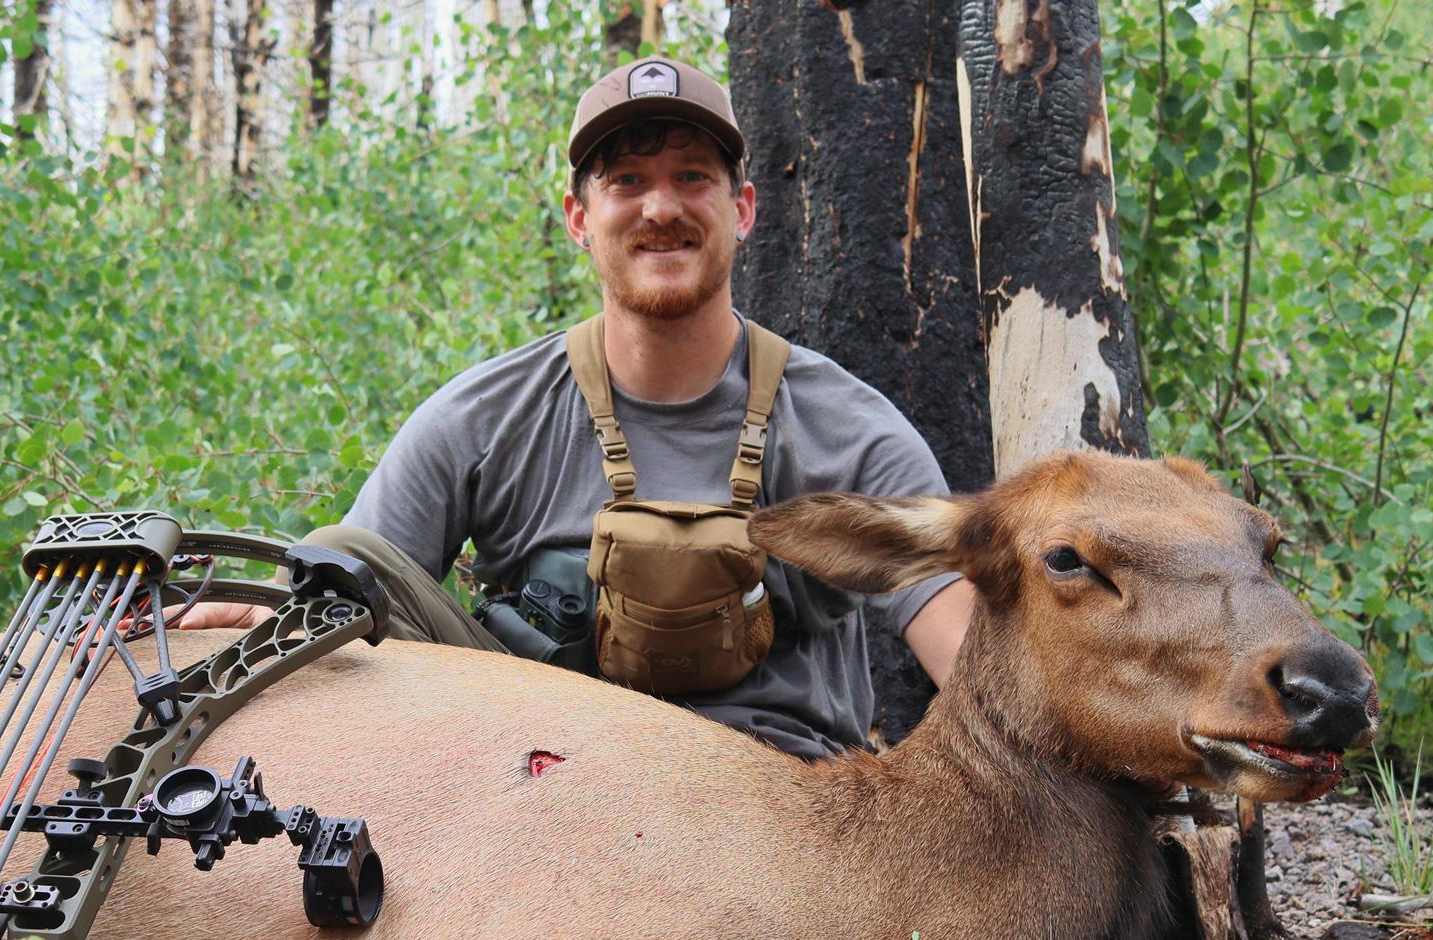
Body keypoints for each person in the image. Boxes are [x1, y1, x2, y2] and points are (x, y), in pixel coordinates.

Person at [180, 56, 972, 759]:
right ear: (579, 220)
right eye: (626, 181)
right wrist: (266, 616)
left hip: (784, 819)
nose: (660, 207)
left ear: (743, 210)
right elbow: (355, 584)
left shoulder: (849, 431)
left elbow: (972, 665)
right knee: (341, 553)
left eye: (693, 175)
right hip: (536, 802)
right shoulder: (487, 418)